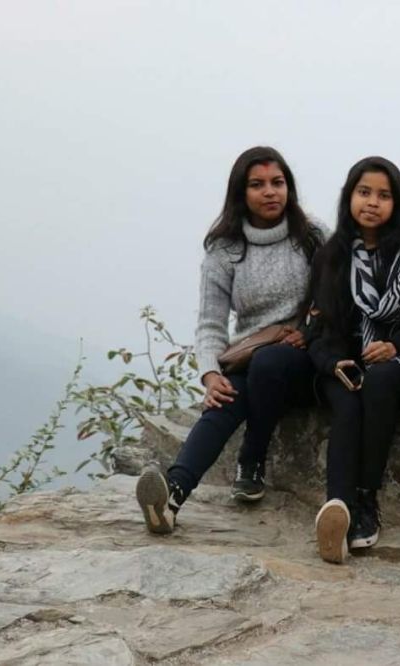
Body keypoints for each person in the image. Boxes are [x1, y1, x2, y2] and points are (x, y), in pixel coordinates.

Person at [136, 146, 325, 534]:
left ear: (289, 188)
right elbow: (210, 324)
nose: (269, 192)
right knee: (224, 399)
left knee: (270, 363)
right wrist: (210, 376)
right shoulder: (224, 250)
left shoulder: (313, 236)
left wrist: (309, 333)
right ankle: (172, 497)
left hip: (305, 357)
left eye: (277, 182)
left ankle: (251, 461)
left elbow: (339, 297)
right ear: (241, 192)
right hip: (250, 357)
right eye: (257, 185)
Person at [307, 156, 400, 564]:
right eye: (364, 192)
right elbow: (318, 328)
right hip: (343, 364)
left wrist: (395, 346)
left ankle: (364, 501)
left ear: (398, 203)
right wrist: (334, 364)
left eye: (383, 195)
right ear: (349, 197)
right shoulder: (331, 256)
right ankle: (337, 510)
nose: (373, 203)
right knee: (347, 402)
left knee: (378, 383)